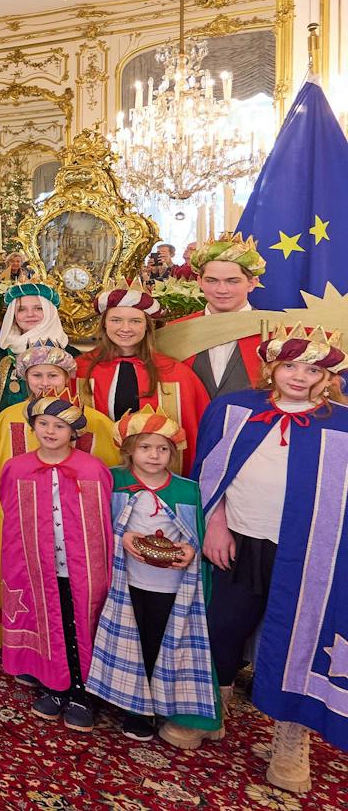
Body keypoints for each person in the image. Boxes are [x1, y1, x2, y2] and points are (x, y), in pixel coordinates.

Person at [193, 322, 348, 793]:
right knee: (223, 624)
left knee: (300, 636)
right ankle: (209, 707)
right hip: (241, 538)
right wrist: (214, 524)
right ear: (272, 368)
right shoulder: (232, 409)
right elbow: (209, 471)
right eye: (290, 366)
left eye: (311, 369)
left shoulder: (341, 425)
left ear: (328, 376)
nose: (299, 377)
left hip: (311, 552)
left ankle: (290, 735)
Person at [87, 410, 222, 746]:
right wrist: (123, 538)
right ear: (129, 449)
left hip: (170, 586)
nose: (153, 455)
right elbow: (97, 527)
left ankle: (162, 704)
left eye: (162, 449)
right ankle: (133, 707)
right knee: (130, 643)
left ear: (172, 454)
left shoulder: (187, 490)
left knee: (160, 643)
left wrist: (191, 552)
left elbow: (198, 535)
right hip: (127, 583)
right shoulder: (113, 481)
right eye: (145, 447)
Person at [0, 344, 118, 649]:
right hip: (19, 529)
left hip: (73, 536)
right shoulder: (8, 419)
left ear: (67, 378)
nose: (45, 383)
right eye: (36, 375)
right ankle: (25, 647)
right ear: (25, 377)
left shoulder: (97, 423)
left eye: (53, 375)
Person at [0, 396, 114, 732]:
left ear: (73, 433)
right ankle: (54, 683)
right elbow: (10, 512)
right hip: (37, 565)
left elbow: (104, 521)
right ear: (33, 427)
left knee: (79, 621)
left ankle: (83, 690)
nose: (50, 431)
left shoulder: (92, 470)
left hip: (80, 567)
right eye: (43, 424)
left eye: (59, 426)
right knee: (46, 618)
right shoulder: (17, 468)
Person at [76, 282, 208, 470]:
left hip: (156, 474)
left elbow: (196, 431)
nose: (125, 328)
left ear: (148, 326)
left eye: (135, 321)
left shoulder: (176, 372)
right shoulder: (81, 368)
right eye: (116, 320)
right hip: (97, 470)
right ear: (104, 324)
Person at [175, 233, 265, 397]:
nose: (221, 290)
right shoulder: (177, 330)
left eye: (232, 281)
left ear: (252, 283)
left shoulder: (272, 330)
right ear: (199, 282)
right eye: (212, 280)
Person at [0, 278, 69, 415]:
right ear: (14, 315)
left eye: (38, 308)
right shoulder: (1, 351)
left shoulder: (69, 353)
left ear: (49, 312)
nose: (30, 314)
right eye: (22, 309)